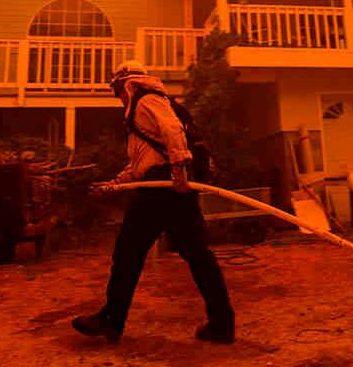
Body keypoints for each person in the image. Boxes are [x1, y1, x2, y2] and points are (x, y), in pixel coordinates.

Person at [72, 61, 235, 344]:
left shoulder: (146, 99)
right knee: (197, 255)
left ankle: (111, 320)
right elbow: (140, 164)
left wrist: (179, 170)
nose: (118, 98)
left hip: (163, 187)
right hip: (168, 185)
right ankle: (222, 324)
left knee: (128, 253)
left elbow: (173, 132)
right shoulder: (147, 108)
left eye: (117, 91)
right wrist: (113, 184)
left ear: (127, 83)